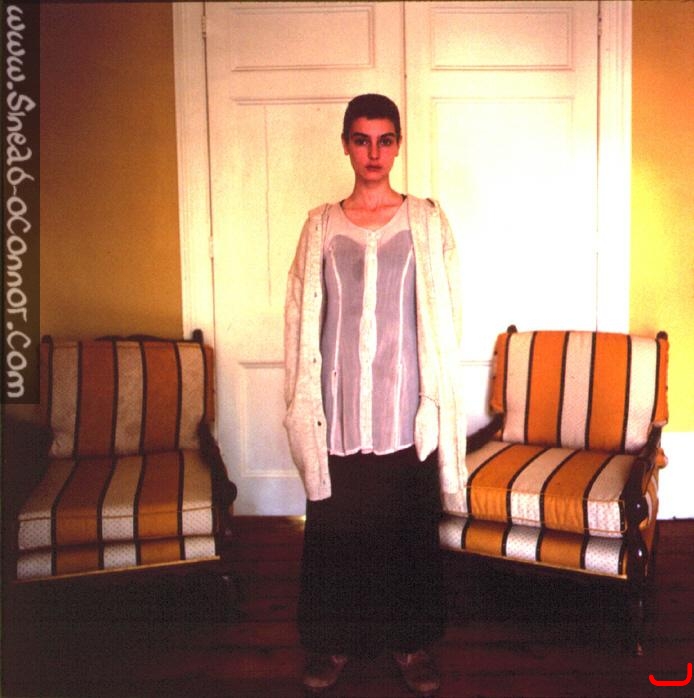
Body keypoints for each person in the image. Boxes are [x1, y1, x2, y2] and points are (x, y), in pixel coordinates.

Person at [283, 93, 466, 696]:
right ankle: (332, 643)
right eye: (361, 140)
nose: (373, 153)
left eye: (385, 140)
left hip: (403, 407)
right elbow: (300, 315)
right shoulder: (320, 226)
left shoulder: (425, 222)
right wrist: (303, 400)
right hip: (337, 412)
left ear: (397, 145)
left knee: (405, 531)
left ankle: (411, 645)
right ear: (345, 144)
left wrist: (434, 397)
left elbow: (446, 314)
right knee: (337, 532)